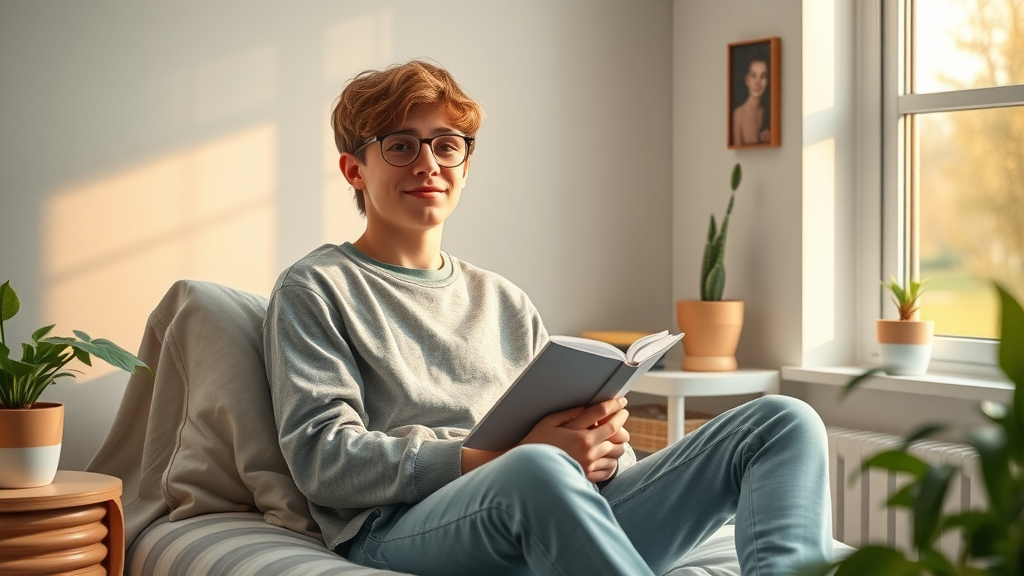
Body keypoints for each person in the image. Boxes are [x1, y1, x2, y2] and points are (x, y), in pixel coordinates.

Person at [263, 59, 832, 576]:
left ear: (465, 163)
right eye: (401, 146)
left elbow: (563, 444)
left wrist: (603, 447)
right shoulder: (316, 287)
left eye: (446, 145)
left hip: (557, 500)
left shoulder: (503, 299)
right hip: (400, 527)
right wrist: (496, 457)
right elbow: (323, 458)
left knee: (784, 421)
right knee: (537, 468)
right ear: (353, 169)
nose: (429, 164)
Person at [732, 48, 771, 146]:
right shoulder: (739, 115)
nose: (758, 82)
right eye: (754, 76)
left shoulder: (768, 114)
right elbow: (736, 158)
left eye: (763, 76)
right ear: (747, 80)